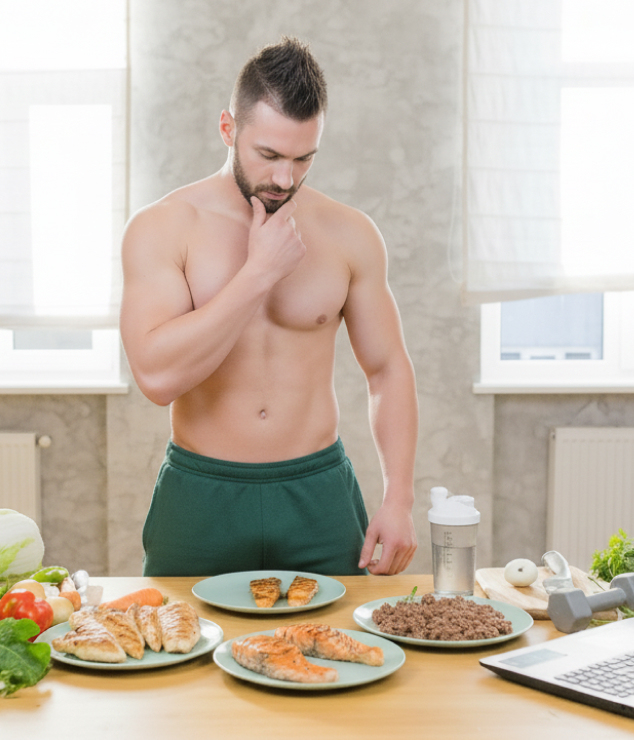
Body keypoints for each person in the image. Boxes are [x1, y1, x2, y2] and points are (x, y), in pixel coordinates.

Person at [119, 37, 418, 577]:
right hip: (202, 490)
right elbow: (157, 376)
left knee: (343, 655)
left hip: (318, 488)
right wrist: (259, 273)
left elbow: (387, 368)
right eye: (270, 155)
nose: (285, 179)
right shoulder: (164, 227)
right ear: (228, 130)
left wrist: (399, 499)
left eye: (304, 158)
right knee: (179, 656)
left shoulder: (350, 234)